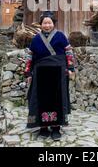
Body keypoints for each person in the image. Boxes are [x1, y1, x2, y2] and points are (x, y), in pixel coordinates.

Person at [24, 11, 76, 141]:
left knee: (58, 100)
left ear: (53, 24)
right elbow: (30, 56)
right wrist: (28, 72)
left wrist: (70, 67)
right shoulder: (36, 39)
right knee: (41, 99)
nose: (47, 25)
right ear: (41, 24)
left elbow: (68, 52)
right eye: (44, 23)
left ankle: (56, 128)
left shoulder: (60, 36)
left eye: (49, 23)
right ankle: (43, 127)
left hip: (58, 72)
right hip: (40, 73)